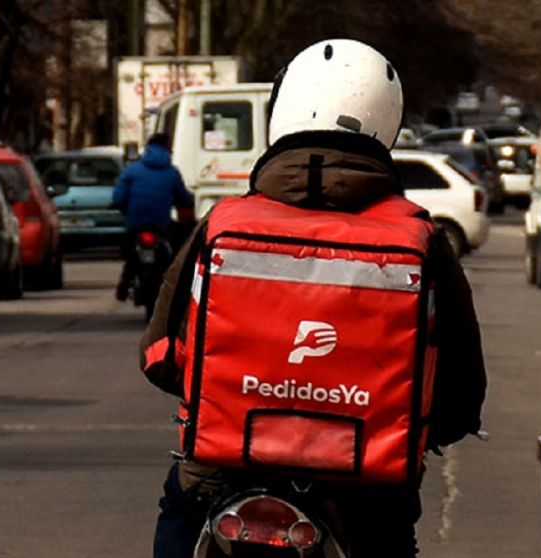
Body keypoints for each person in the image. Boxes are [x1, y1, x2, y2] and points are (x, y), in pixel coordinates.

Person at [139, 39, 487, 558]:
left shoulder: (223, 225)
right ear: (386, 121)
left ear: (285, 112)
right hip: (367, 485)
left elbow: (159, 354)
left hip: (223, 470)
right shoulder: (422, 240)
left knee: (181, 508)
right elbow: (462, 388)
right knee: (390, 537)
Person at [112, 133, 193, 302]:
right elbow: (183, 198)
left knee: (130, 255)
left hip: (136, 223)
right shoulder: (172, 173)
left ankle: (124, 284)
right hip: (161, 224)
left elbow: (119, 198)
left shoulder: (132, 171)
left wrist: (123, 209)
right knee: (172, 253)